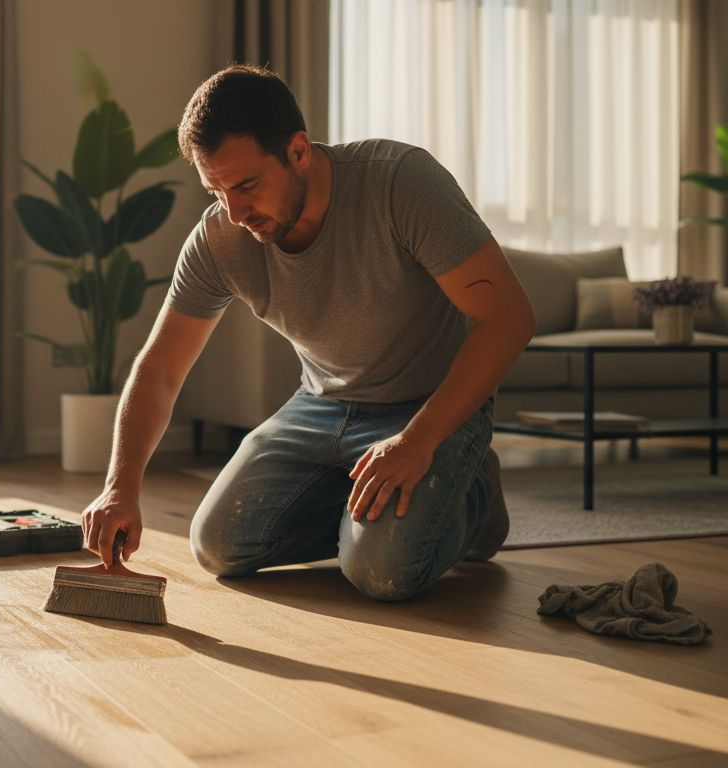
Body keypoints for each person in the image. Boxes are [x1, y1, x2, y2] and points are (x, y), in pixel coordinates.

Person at [79, 64, 536, 600]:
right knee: (218, 545)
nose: (234, 211)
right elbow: (159, 370)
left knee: (380, 571)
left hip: (427, 406)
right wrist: (119, 487)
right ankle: (377, 515)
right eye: (215, 190)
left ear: (298, 150)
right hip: (321, 406)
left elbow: (508, 318)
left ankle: (473, 496)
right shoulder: (220, 237)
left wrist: (417, 443)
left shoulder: (401, 183)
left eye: (247, 185)